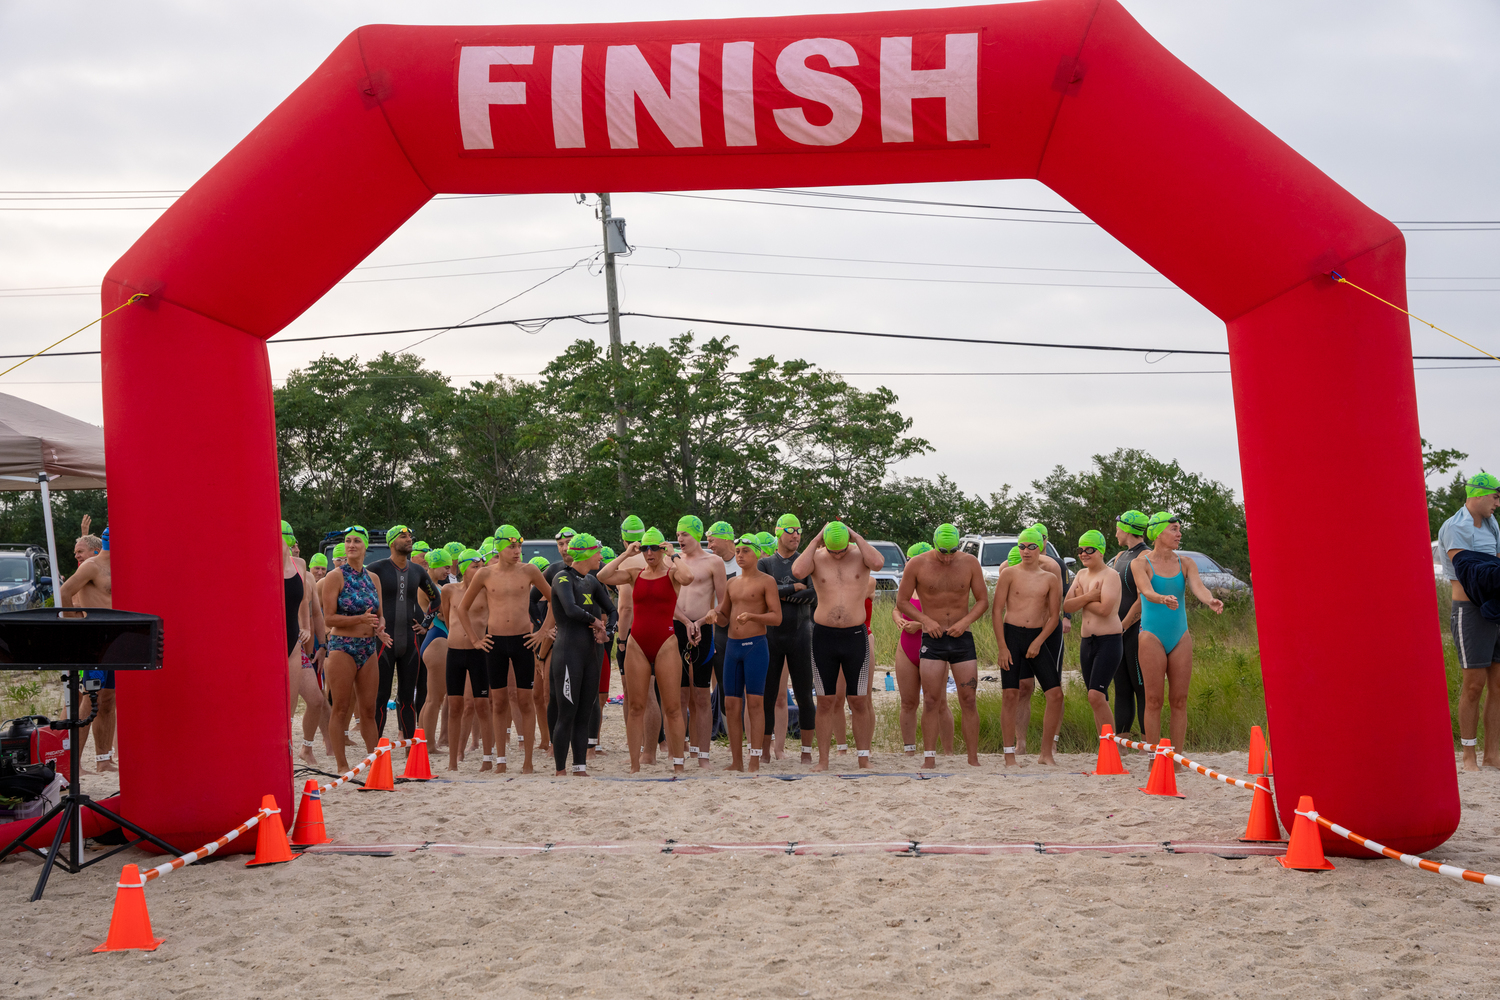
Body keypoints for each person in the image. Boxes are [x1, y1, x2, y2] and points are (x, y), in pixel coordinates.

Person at [599, 529, 697, 772]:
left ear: (662, 549)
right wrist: (625, 553)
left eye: (654, 548)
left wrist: (674, 555)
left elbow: (689, 578)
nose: (649, 553)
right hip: (637, 643)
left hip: (666, 642)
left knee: (673, 708)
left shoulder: (673, 574)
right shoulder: (635, 574)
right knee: (635, 706)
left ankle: (677, 763)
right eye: (645, 549)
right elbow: (603, 575)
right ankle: (635, 764)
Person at [458, 525, 550, 774]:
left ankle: (528, 761)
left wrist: (542, 632)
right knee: (497, 703)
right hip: (495, 642)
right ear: (499, 547)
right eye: (512, 546)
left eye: (519, 546)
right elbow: (462, 608)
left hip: (523, 641)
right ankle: (500, 760)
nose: (517, 551)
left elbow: (554, 599)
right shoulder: (485, 574)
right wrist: (476, 640)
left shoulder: (529, 570)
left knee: (525, 701)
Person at [791, 521, 883, 770]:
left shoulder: (859, 555)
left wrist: (856, 535)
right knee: (825, 701)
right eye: (833, 551)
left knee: (858, 700)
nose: (838, 555)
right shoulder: (817, 557)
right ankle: (823, 760)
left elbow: (878, 563)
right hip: (824, 636)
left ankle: (863, 758)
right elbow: (798, 571)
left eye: (842, 550)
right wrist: (816, 539)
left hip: (855, 635)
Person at [1132, 512, 1224, 760]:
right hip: (1151, 635)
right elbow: (1147, 591)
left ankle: (1177, 759)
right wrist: (1162, 598)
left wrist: (1209, 600)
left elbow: (1198, 587)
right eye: (1173, 529)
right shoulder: (1140, 563)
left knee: (1180, 700)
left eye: (1179, 529)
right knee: (1153, 700)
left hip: (1180, 636)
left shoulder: (1186, 563)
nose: (1179, 534)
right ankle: (1155, 758)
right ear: (1158, 533)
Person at [897, 523, 990, 768]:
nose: (947, 558)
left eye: (952, 552)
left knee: (968, 699)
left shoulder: (970, 563)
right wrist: (926, 620)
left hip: (962, 637)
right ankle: (929, 758)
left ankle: (973, 759)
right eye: (942, 552)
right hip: (933, 638)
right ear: (934, 543)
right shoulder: (917, 564)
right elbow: (902, 601)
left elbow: (982, 601)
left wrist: (966, 621)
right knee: (931, 700)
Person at [1438, 472, 1500, 770]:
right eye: (1495, 496)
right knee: (1474, 686)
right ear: (1478, 494)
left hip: (1495, 611)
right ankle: (1468, 755)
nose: (1497, 504)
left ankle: (1492, 754)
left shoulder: (1491, 525)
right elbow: (1472, 575)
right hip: (1469, 612)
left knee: (1498, 684)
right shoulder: (1456, 527)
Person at [705, 534, 781, 771]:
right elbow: (725, 617)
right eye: (737, 551)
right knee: (730, 705)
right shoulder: (731, 584)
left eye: (745, 551)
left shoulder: (766, 581)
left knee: (755, 704)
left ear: (757, 553)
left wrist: (753, 617)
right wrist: (714, 615)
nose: (740, 555)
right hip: (732, 648)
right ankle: (736, 761)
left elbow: (777, 617)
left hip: (755, 646)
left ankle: (755, 759)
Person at [320, 526, 391, 774]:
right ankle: (342, 765)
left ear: (365, 547)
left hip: (368, 647)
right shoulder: (335, 577)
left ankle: (376, 765)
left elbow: (380, 615)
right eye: (348, 541)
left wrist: (380, 627)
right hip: (342, 647)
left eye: (356, 541)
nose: (351, 545)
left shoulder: (373, 579)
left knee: (368, 710)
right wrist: (359, 620)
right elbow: (329, 619)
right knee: (340, 707)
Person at [992, 527, 1062, 766]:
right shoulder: (1009, 574)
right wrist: (1002, 646)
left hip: (1037, 637)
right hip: (1012, 636)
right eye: (1022, 546)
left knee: (1055, 695)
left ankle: (1046, 754)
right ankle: (1009, 754)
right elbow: (996, 610)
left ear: (1040, 548)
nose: (1026, 551)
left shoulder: (1050, 578)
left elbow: (1054, 616)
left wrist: (1039, 641)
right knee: (1010, 695)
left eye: (1031, 546)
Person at [548, 534, 616, 776]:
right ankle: (560, 770)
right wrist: (595, 621)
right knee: (567, 713)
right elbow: (570, 609)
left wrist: (607, 631)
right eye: (597, 551)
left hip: (590, 653)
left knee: (585, 713)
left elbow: (612, 610)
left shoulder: (592, 581)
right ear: (586, 553)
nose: (600, 556)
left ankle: (580, 767)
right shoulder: (562, 577)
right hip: (568, 653)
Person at [367, 525, 442, 740]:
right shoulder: (377, 569)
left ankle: (410, 752)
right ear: (392, 543)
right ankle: (375, 751)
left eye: (410, 536)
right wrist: (373, 624)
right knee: (380, 698)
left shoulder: (417, 571)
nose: (409, 539)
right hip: (384, 641)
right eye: (403, 536)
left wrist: (426, 623)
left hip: (411, 641)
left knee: (408, 698)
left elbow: (436, 599)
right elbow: (363, 595)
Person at [759, 514, 819, 762]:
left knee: (805, 695)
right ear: (778, 533)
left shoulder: (806, 564)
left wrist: (780, 594)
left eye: (799, 531)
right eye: (791, 530)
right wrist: (793, 588)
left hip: (801, 635)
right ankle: (764, 752)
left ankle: (806, 752)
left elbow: (814, 596)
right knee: (768, 695)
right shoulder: (766, 564)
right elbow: (764, 594)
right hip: (772, 636)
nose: (796, 535)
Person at [673, 515, 726, 766]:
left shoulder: (713, 562)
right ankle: (683, 751)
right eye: (678, 534)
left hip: (703, 629)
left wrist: (703, 622)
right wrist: (685, 622)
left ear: (697, 535)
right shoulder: (674, 561)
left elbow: (724, 601)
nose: (680, 539)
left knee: (702, 695)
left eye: (685, 534)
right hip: (677, 627)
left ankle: (702, 754)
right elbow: (668, 599)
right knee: (681, 695)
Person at [892, 542, 953, 756]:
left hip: (933, 645)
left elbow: (947, 618)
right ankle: (909, 750)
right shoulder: (909, 584)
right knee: (908, 702)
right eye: (908, 561)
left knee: (939, 702)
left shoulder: (939, 586)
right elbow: (897, 608)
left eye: (912, 561)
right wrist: (899, 619)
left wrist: (919, 624)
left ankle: (947, 751)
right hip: (906, 648)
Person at [62, 526, 115, 771]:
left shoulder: (120, 567)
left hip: (116, 641)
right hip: (93, 640)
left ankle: (104, 761)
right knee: (89, 699)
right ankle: (74, 763)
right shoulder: (92, 566)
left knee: (108, 700)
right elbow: (65, 591)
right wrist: (74, 620)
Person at [1013, 523, 1068, 756]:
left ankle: (1052, 742)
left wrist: (1066, 618)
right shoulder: (1013, 565)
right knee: (1023, 687)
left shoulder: (1055, 566)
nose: (1029, 549)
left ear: (1044, 542)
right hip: (1024, 632)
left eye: (1037, 541)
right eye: (1023, 545)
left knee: (1053, 689)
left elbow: (1060, 601)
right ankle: (1021, 743)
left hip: (1049, 632)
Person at [1064, 530, 1122, 735]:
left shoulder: (1111, 575)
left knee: (1095, 696)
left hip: (1109, 641)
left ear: (1101, 551)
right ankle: (1104, 747)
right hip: (1087, 642)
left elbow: (1105, 610)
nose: (1083, 553)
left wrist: (1082, 599)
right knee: (1097, 698)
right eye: (1080, 550)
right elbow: (1067, 606)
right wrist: (1090, 596)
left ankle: (1112, 747)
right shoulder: (1080, 575)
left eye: (1089, 549)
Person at [283, 521, 329, 766]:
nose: (296, 546)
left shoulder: (303, 571)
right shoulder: (272, 565)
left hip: (299, 645)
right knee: (286, 707)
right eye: (291, 540)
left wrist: (319, 643)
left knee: (317, 700)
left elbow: (312, 611)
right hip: (282, 642)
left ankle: (307, 748)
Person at [1109, 510, 1151, 735]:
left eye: (1118, 527)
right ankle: (1122, 745)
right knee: (1122, 688)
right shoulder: (1120, 556)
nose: (1116, 532)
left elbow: (1142, 599)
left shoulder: (1145, 557)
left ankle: (1147, 745)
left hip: (1137, 632)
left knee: (1141, 686)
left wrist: (1123, 626)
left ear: (1127, 529)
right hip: (1118, 631)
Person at [417, 548, 454, 748]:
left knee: (432, 698)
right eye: (445, 567)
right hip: (437, 640)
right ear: (432, 566)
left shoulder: (436, 587)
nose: (448, 571)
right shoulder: (428, 588)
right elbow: (442, 615)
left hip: (435, 639)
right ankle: (428, 744)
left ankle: (423, 741)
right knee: (434, 699)